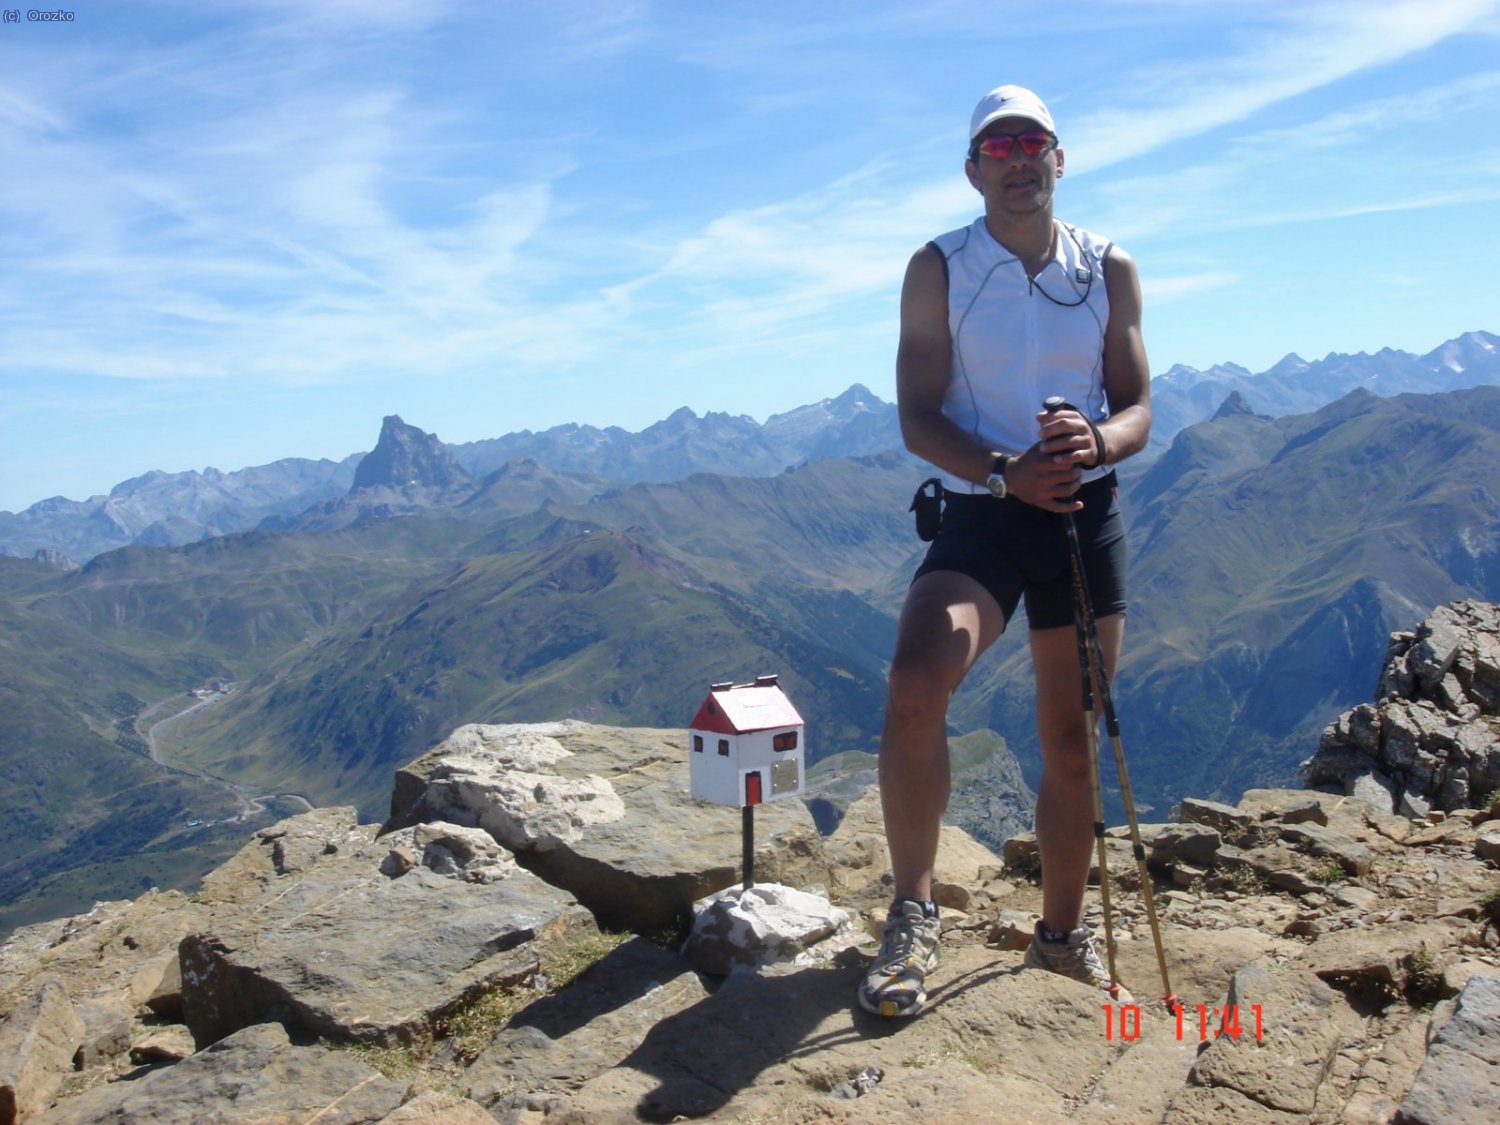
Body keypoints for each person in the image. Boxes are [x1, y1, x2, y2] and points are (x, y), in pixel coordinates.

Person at [858, 84, 1151, 1019]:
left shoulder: (1108, 267)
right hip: (984, 508)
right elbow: (917, 415)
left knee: (1071, 743)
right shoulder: (939, 266)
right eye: (999, 145)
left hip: (1080, 507)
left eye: (1035, 142)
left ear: (1060, 160)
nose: (1018, 158)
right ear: (973, 168)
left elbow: (1138, 408)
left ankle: (1061, 938)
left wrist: (1094, 443)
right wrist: (1002, 473)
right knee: (916, 681)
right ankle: (912, 908)